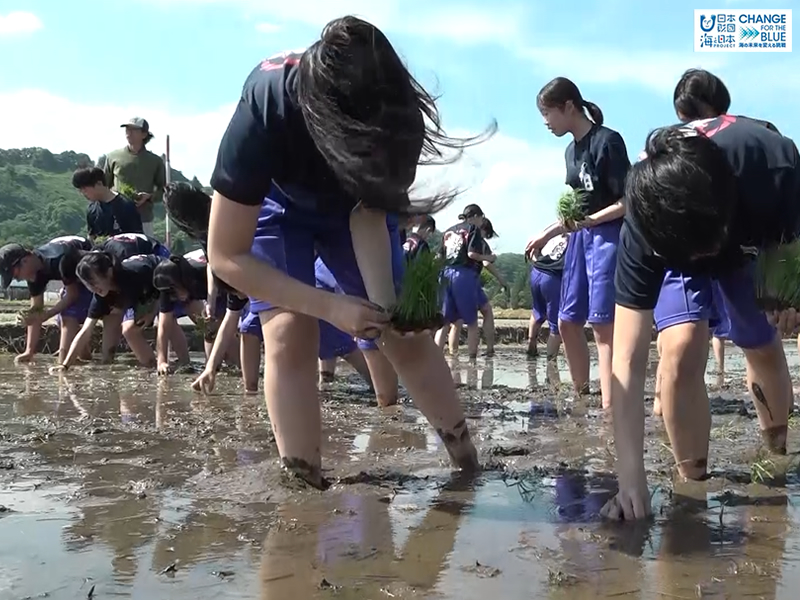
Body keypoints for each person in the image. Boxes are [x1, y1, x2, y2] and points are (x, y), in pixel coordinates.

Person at [206, 16, 494, 487]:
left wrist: (382, 308)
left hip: (351, 209)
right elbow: (226, 255)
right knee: (288, 335)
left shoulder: (395, 118)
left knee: (401, 333)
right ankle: (304, 481)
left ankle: (466, 460)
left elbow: (369, 213)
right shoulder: (266, 107)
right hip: (278, 205)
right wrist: (328, 306)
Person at [601, 115, 800, 521]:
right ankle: (692, 486)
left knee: (760, 342)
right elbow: (627, 362)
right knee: (681, 345)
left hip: (748, 235)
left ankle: (776, 452)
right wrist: (630, 479)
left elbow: (791, 242)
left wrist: (790, 290)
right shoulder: (644, 225)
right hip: (678, 235)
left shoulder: (772, 167)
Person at [526, 77, 630, 408]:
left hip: (608, 238)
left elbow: (628, 201)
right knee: (568, 321)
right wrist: (548, 233)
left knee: (602, 325)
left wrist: (593, 222)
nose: (545, 122)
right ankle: (582, 395)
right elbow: (577, 209)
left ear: (568, 107)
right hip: (579, 240)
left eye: (547, 113)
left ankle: (611, 410)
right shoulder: (570, 151)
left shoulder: (607, 141)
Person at [0, 235, 94, 364]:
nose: (18, 280)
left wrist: (48, 314)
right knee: (62, 320)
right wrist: (29, 351)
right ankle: (84, 357)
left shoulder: (58, 260)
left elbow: (72, 295)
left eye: (16, 274)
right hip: (70, 273)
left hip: (88, 267)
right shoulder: (33, 275)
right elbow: (36, 311)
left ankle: (64, 362)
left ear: (25, 260)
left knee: (68, 315)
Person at [436, 204, 495, 358]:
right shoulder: (472, 229)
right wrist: (489, 257)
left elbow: (439, 256)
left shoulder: (449, 230)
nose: (482, 221)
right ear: (475, 216)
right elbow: (471, 254)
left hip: (445, 273)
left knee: (446, 321)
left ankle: (440, 356)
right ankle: (472, 359)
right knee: (472, 322)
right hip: (463, 274)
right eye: (481, 218)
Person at [446, 217, 507, 356]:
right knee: (484, 312)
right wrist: (501, 279)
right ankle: (488, 349)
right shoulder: (477, 239)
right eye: (488, 235)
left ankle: (452, 355)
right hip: (468, 279)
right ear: (484, 229)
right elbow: (486, 262)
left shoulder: (456, 234)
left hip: (450, 276)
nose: (486, 238)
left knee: (456, 320)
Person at [103, 118, 167, 238]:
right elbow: (104, 186)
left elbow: (164, 190)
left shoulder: (155, 161)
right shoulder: (113, 157)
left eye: (133, 130)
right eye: (127, 129)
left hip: (144, 218)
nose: (128, 132)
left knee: (143, 254)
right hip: (117, 217)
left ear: (144, 134)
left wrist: (149, 197)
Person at [71, 167, 143, 241]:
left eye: (85, 189)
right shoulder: (91, 209)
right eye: (80, 190)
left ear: (99, 183)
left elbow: (137, 238)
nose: (83, 194)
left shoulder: (126, 206)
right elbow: (91, 236)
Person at [527, 233, 568, 359]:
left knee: (537, 311)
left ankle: (531, 346)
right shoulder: (576, 237)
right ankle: (551, 361)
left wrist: (535, 260)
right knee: (555, 325)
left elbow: (533, 248)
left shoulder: (552, 234)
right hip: (552, 278)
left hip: (536, 271)